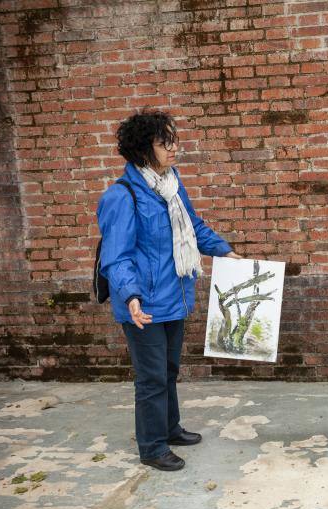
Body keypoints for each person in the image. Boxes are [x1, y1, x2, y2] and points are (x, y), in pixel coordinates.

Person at [97, 110, 240, 471]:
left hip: (174, 296)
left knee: (169, 370)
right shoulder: (122, 196)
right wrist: (130, 296)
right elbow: (116, 257)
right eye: (165, 142)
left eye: (173, 139)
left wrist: (226, 251)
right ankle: (152, 446)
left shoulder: (172, 186)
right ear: (144, 149)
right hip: (143, 303)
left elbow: (193, 228)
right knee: (151, 379)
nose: (175, 147)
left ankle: (170, 428)